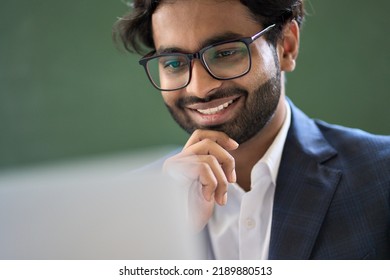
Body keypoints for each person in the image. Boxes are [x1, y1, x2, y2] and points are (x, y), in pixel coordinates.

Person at [114, 0, 390, 259]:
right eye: (174, 63)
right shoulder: (126, 208)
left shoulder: (381, 175)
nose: (199, 88)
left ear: (286, 46)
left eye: (225, 53)